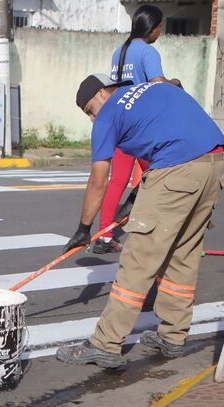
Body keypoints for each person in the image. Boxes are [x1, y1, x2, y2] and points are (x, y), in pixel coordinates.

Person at [55, 74, 224, 368]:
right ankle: (173, 336)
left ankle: (105, 343)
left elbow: (99, 180)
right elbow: (163, 133)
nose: (93, 119)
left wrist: (84, 228)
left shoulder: (109, 113)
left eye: (90, 110)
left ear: (102, 94)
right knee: (182, 253)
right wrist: (138, 196)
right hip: (215, 163)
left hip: (178, 167)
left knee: (138, 259)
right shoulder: (151, 89)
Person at [93, 5, 183, 255]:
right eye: (159, 28)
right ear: (152, 29)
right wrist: (174, 84)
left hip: (122, 123)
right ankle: (168, 234)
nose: (160, 32)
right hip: (144, 127)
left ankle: (104, 236)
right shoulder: (148, 52)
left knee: (118, 181)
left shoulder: (118, 52)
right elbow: (158, 87)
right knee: (161, 178)